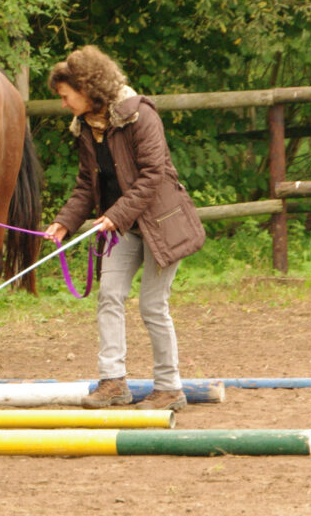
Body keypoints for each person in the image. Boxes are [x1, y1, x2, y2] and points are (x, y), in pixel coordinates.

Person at [43, 45, 205, 412]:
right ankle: (113, 382)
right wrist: (63, 222)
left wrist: (115, 214)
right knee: (109, 296)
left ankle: (169, 388)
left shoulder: (140, 115)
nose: (64, 103)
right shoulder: (85, 127)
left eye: (67, 96)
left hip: (161, 225)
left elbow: (154, 175)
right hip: (123, 228)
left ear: (87, 88)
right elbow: (87, 184)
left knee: (152, 305)